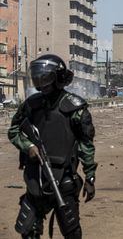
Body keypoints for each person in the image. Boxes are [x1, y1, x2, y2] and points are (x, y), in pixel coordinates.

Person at [8, 54, 97, 239]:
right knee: (29, 231)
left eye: (45, 76)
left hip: (64, 179)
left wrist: (90, 177)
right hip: (36, 178)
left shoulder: (75, 108)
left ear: (58, 77)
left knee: (72, 231)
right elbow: (14, 130)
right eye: (38, 76)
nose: (41, 81)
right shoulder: (31, 105)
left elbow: (86, 145)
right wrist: (28, 146)